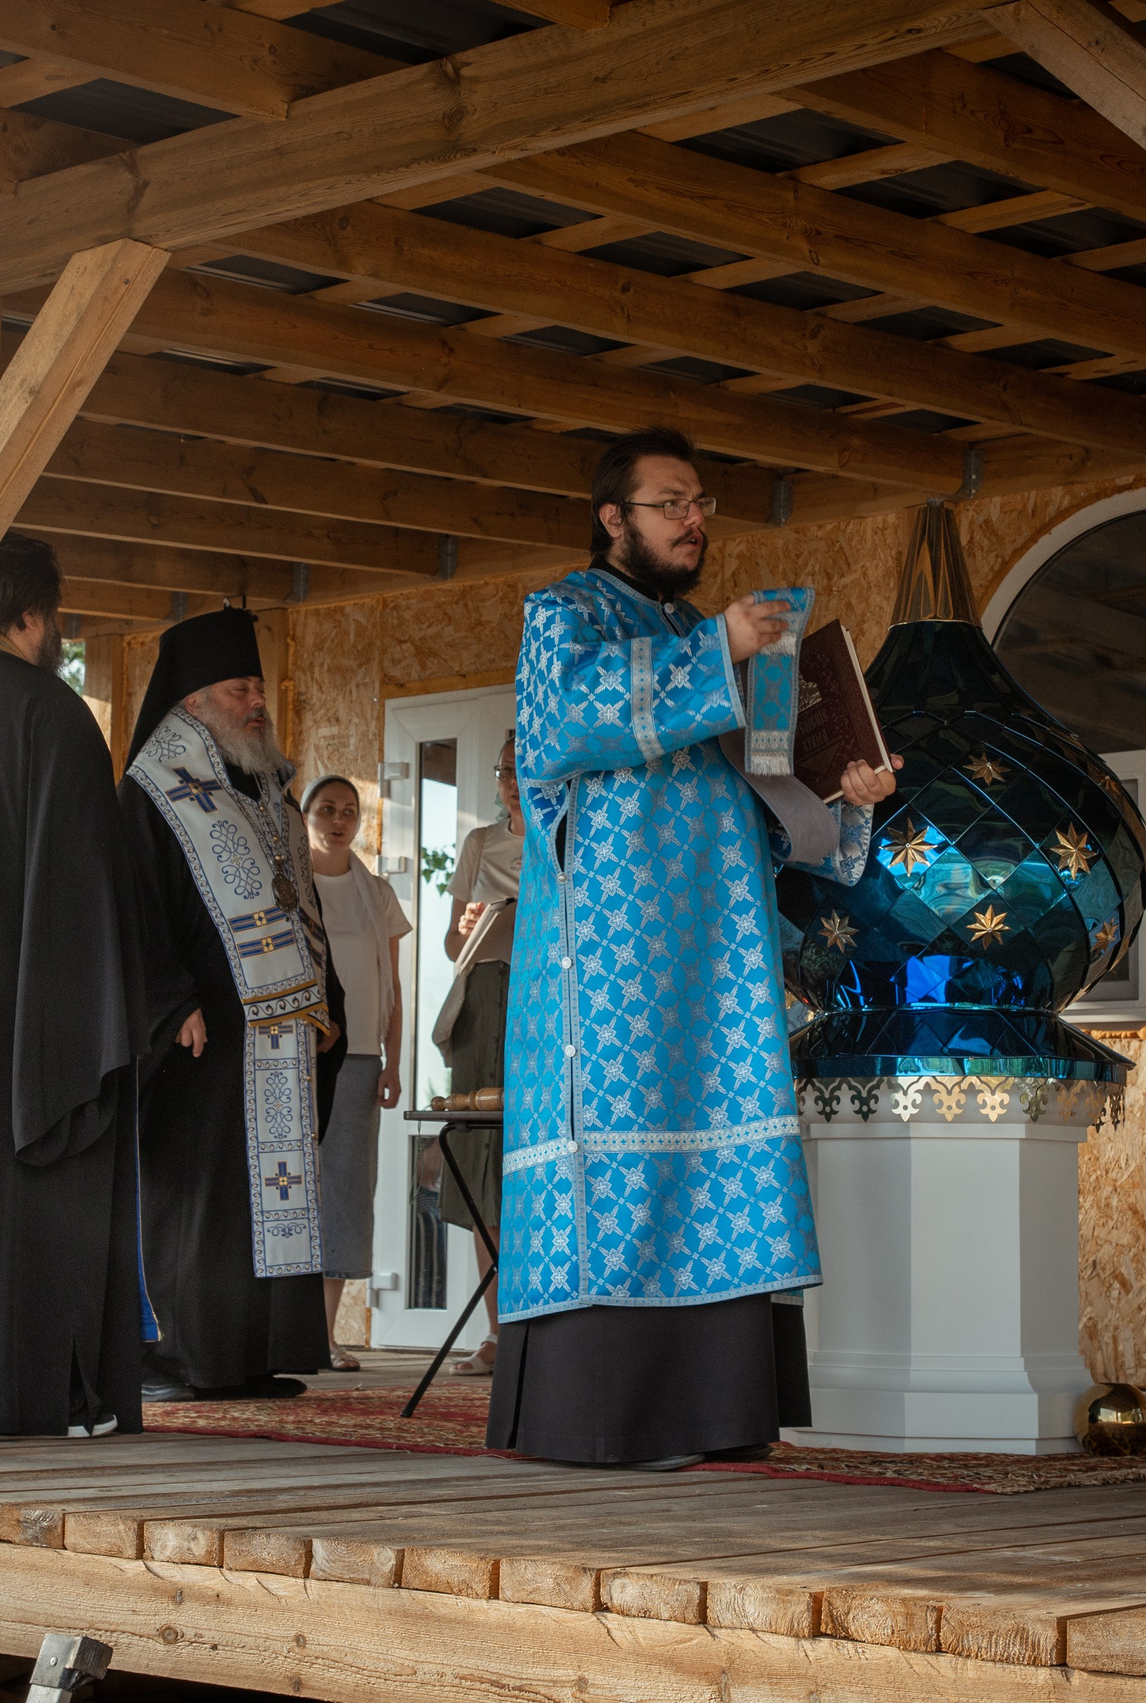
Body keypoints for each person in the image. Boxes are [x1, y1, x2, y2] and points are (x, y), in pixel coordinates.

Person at [490, 427, 897, 1469]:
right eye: (670, 502)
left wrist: (843, 796)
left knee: (720, 1147)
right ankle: (610, 1415)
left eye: (701, 502)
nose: (693, 519)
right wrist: (720, 645)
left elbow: (765, 802)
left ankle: (718, 1413)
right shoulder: (565, 613)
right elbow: (561, 725)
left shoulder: (711, 636)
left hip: (720, 946)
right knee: (626, 1141)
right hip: (612, 953)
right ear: (612, 518)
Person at [0, 533, 146, 1437]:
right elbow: (81, 903)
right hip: (29, 1029)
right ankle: (30, 1394)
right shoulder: (53, 715)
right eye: (56, 614)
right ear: (31, 615)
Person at [122, 607, 343, 1403]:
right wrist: (169, 997)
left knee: (265, 1192)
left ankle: (254, 1353)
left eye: (257, 686)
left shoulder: (269, 789)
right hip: (202, 1032)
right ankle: (182, 1356)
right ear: (191, 701)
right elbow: (132, 904)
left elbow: (301, 905)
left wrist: (328, 1000)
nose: (255, 700)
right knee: (204, 1198)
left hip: (279, 1032)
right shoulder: (152, 790)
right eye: (237, 688)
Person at [299, 774, 407, 1373]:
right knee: (293, 1188)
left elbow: (392, 986)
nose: (338, 821)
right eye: (326, 809)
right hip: (295, 1060)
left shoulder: (377, 894)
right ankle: (281, 1333)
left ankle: (323, 1335)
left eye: (348, 811)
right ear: (306, 816)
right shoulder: (289, 885)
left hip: (361, 1060)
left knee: (343, 1193)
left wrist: (393, 1062)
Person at [431, 734, 522, 1377]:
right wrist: (463, 929)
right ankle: (494, 1333)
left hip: (540, 999)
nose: (512, 781)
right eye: (503, 770)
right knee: (481, 1167)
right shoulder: (479, 843)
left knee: (527, 1164)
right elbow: (448, 942)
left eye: (523, 768)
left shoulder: (567, 837)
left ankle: (535, 1329)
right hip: (481, 1000)